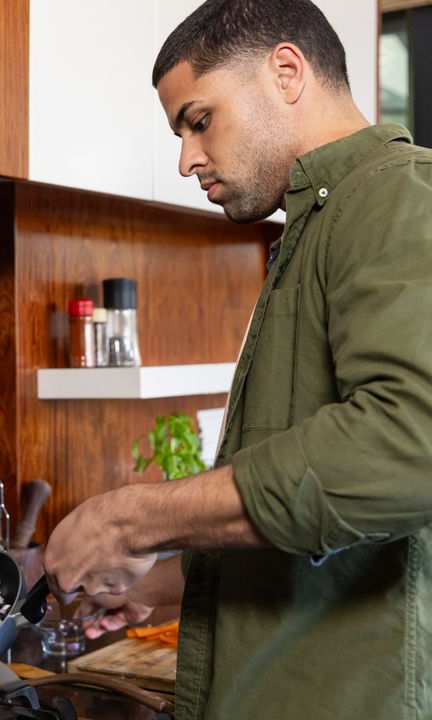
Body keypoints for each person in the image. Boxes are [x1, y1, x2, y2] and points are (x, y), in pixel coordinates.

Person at [41, 1, 432, 718]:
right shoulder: (312, 227)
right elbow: (320, 523)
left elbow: (411, 443)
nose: (186, 159)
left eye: (199, 120)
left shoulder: (396, 197)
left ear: (286, 71)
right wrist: (164, 582)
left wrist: (135, 519)